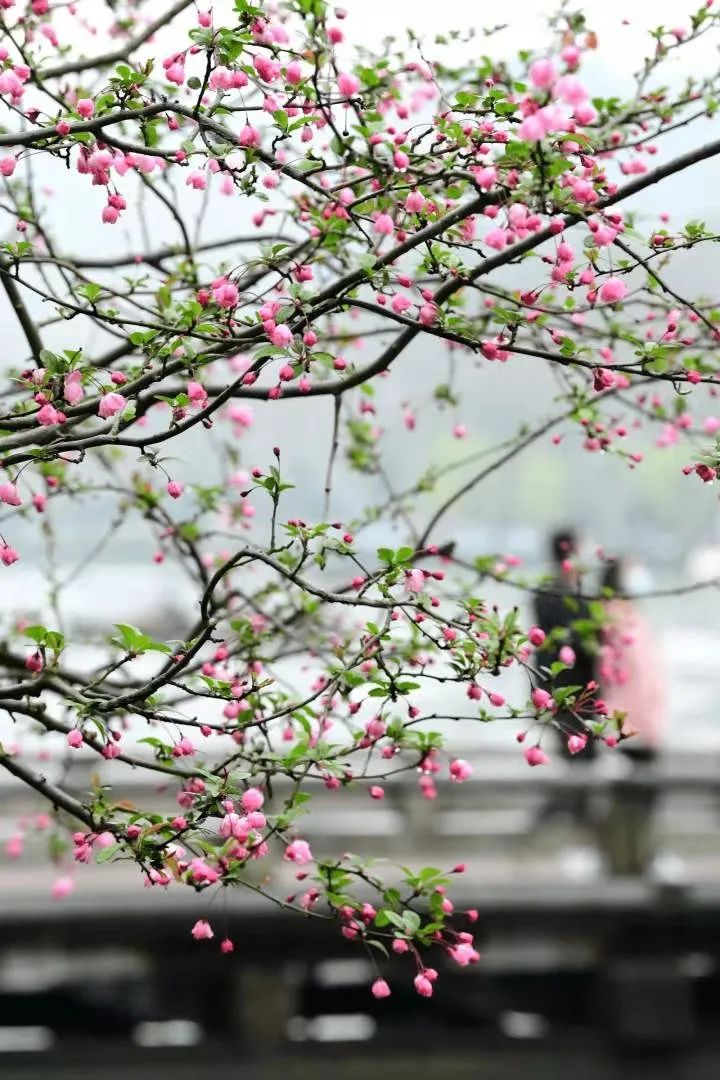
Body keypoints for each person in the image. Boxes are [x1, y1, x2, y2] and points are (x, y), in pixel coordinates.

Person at [598, 557, 667, 876]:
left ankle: (637, 860)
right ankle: (627, 863)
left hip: (643, 723)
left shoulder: (629, 617)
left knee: (641, 799)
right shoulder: (612, 618)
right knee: (631, 799)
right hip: (628, 723)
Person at [533, 528, 597, 761]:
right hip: (571, 687)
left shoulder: (545, 590)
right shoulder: (563, 593)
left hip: (556, 685)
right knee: (579, 752)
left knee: (573, 750)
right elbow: (581, 640)